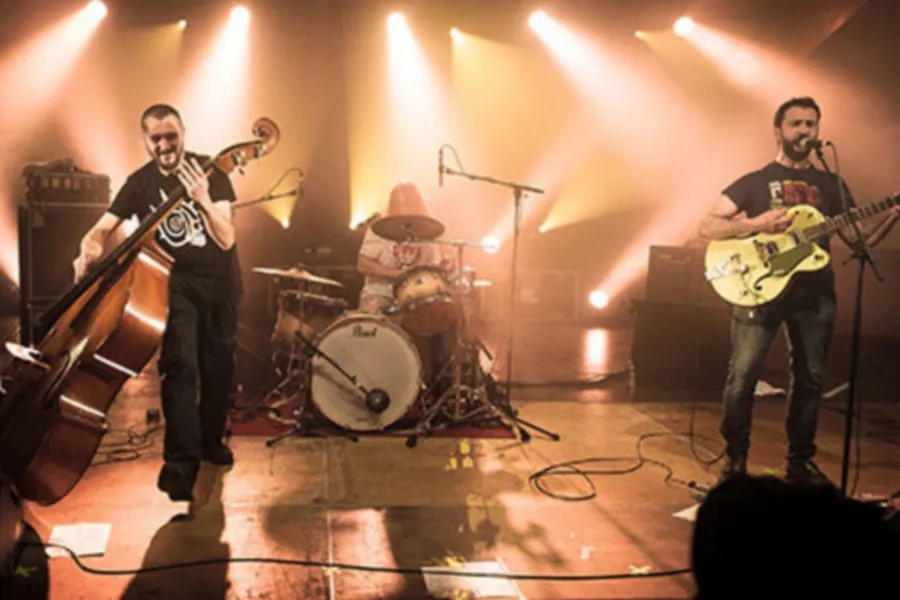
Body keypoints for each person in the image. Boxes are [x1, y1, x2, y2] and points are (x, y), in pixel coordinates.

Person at [698, 96, 900, 485]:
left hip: (814, 292)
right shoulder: (755, 181)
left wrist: (891, 218)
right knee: (743, 376)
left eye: (811, 124)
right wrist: (754, 223)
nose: (804, 131)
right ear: (778, 130)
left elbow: (858, 243)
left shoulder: (831, 182)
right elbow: (706, 227)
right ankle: (735, 461)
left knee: (810, 377)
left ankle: (799, 461)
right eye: (796, 124)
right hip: (759, 286)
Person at [73, 103, 242, 502]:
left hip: (221, 283)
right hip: (175, 282)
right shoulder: (140, 184)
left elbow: (226, 237)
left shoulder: (212, 171)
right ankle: (180, 465)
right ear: (146, 141)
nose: (165, 145)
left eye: (172, 136)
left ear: (183, 132)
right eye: (157, 139)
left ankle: (210, 441)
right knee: (180, 364)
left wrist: (200, 195)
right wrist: (87, 249)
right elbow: (101, 229)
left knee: (218, 367)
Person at [356, 181, 455, 381]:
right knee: (369, 329)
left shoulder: (428, 231)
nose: (405, 208)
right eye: (401, 204)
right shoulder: (378, 228)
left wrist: (446, 266)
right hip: (380, 293)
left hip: (413, 297)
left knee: (435, 327)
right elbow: (362, 264)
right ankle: (368, 378)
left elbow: (432, 269)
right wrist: (395, 274)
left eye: (409, 203)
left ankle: (423, 382)